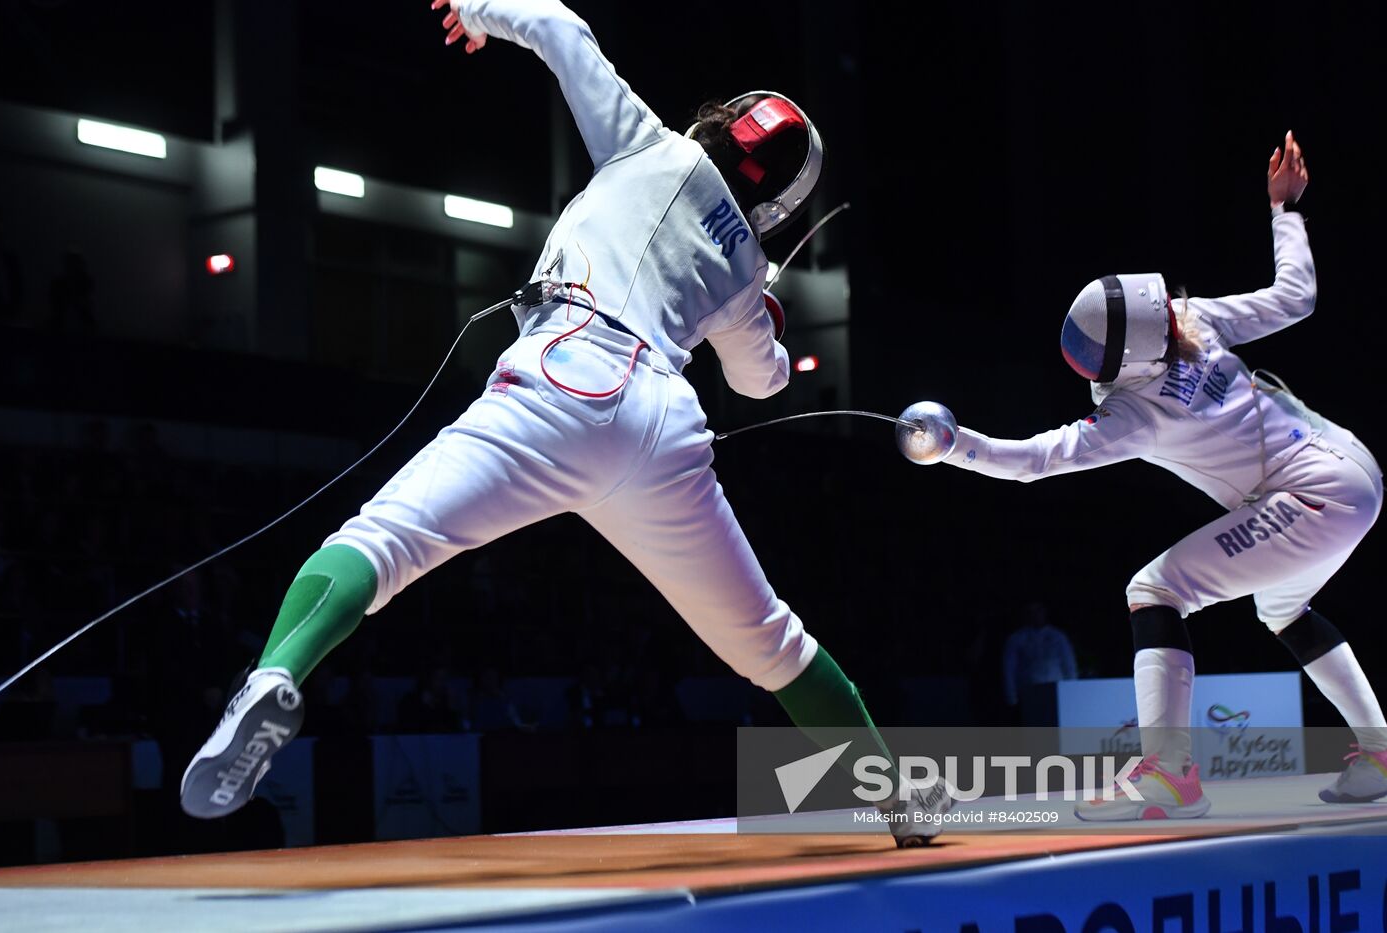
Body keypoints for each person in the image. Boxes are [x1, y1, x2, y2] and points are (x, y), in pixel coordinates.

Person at [182, 0, 948, 844]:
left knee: (381, 541)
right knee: (769, 642)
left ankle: (275, 673)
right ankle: (902, 802)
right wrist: (759, 304)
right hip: (661, 430)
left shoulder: (646, 141)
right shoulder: (744, 265)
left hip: (559, 376)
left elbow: (555, 23)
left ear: (725, 124)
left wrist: (476, 14)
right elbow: (761, 383)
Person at [941, 132, 1385, 819]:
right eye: (1167, 307)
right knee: (1281, 607)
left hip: (1313, 494)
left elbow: (1032, 463)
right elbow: (1296, 296)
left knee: (1156, 590)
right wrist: (1285, 209)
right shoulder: (1189, 333)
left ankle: (1171, 775)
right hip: (1353, 469)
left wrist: (953, 446)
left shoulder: (1143, 397)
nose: (1175, 306)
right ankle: (1379, 751)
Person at [1001, 601, 1077, 709]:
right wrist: (1011, 696)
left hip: (1055, 689)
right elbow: (1009, 668)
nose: (1035, 615)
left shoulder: (1058, 636)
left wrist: (1072, 690)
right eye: (1031, 612)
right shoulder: (1017, 638)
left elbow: (1069, 664)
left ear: (1044, 612)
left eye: (1038, 611)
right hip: (1029, 689)